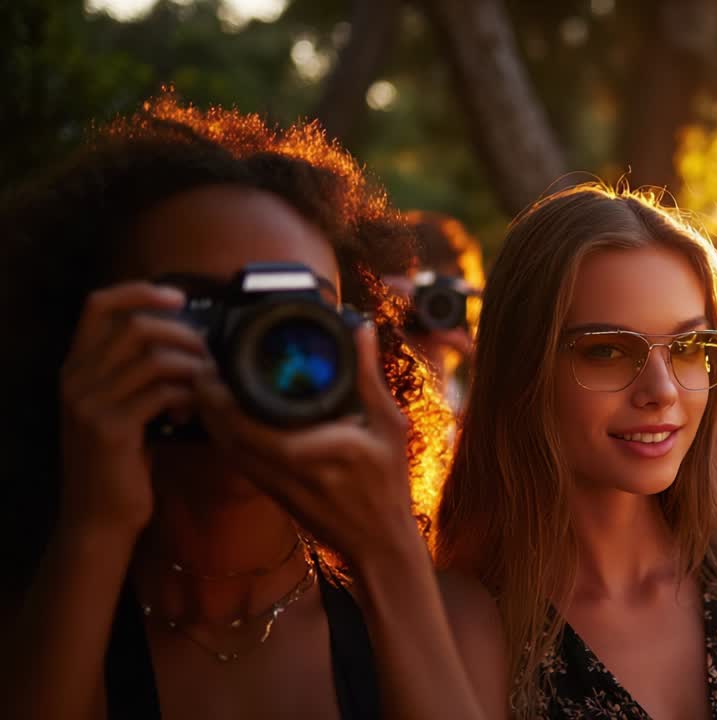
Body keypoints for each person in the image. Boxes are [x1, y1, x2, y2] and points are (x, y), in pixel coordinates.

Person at [0, 94, 504, 719]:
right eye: (198, 311)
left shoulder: (451, 620)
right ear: (81, 342)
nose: (252, 354)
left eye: (295, 318)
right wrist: (95, 526)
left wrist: (388, 550)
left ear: (364, 351)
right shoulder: (32, 620)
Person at [433, 184, 717, 718]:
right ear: (524, 367)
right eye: (608, 350)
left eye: (689, 347)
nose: (662, 390)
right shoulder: (458, 627)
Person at [383, 210, 484, 414]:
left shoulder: (457, 392)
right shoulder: (373, 367)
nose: (433, 308)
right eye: (424, 293)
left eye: (444, 297)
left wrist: (480, 358)